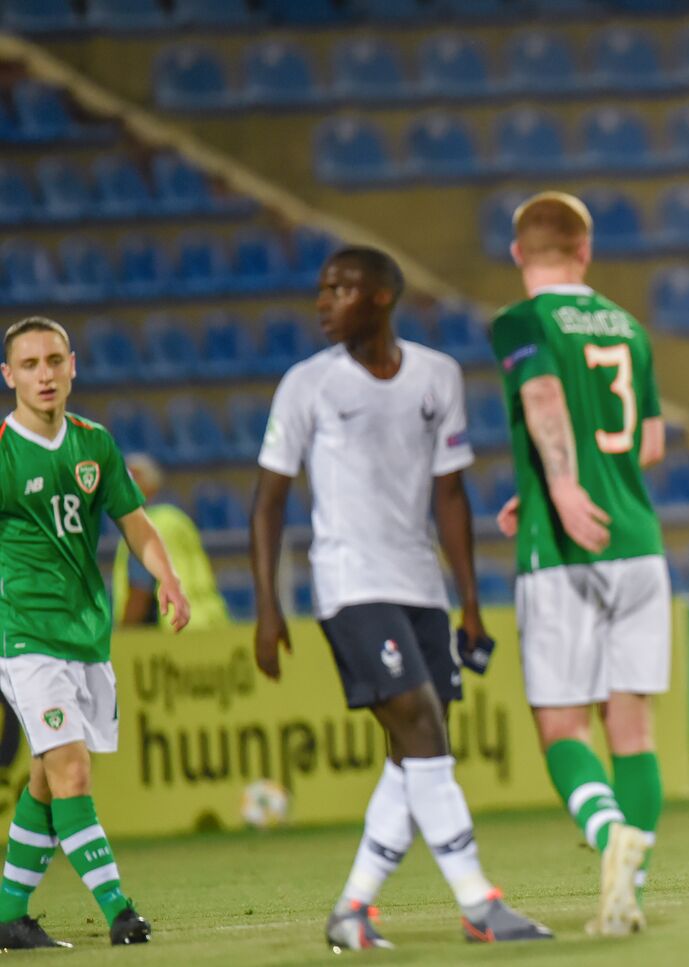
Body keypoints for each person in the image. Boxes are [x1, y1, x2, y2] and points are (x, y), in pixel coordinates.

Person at [250, 247, 551, 950]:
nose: (324, 301)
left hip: (421, 584)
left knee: (415, 748)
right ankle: (479, 900)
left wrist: (469, 599)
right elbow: (268, 501)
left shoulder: (435, 375)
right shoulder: (306, 385)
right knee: (419, 721)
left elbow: (451, 493)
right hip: (349, 583)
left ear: (381, 296)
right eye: (321, 288)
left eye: (340, 288)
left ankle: (352, 909)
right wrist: (269, 606)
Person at [490, 190, 667, 936]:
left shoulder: (522, 321)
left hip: (564, 549)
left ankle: (608, 837)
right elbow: (650, 442)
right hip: (639, 543)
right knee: (633, 732)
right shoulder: (628, 327)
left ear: (517, 254)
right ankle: (630, 888)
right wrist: (541, 483)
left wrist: (557, 486)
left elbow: (541, 395)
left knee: (562, 726)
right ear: (586, 251)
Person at [0, 317, 191, 949]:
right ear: (9, 377)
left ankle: (7, 915)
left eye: (54, 360)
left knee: (45, 779)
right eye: (29, 365)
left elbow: (135, 522)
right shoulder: (1, 452)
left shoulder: (94, 444)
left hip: (86, 635)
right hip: (24, 635)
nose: (45, 374)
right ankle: (120, 911)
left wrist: (167, 578)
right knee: (72, 771)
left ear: (73, 365)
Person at [113, 453, 230, 630]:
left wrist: (121, 640)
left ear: (150, 486)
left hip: (173, 630)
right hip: (210, 621)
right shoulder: (178, 519)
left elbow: (140, 592)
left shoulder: (142, 528)